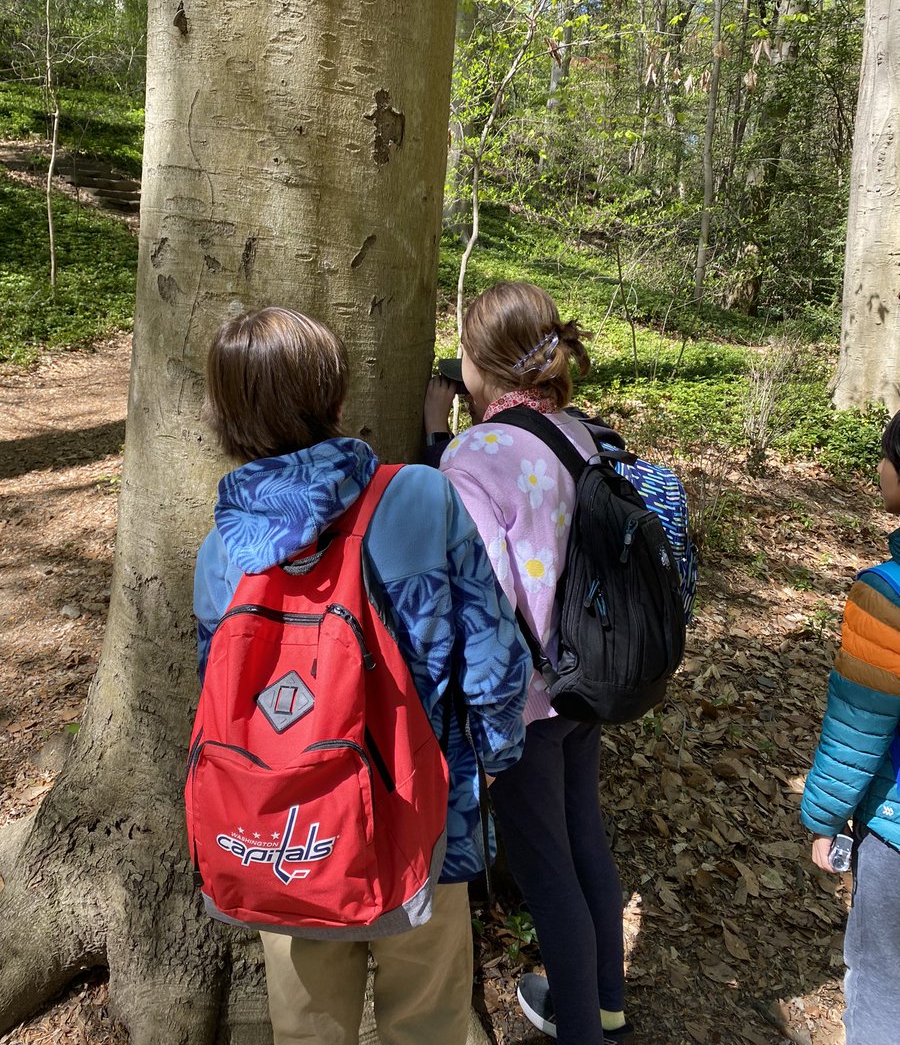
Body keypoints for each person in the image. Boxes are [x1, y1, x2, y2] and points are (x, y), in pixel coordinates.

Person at [193, 306, 532, 1045]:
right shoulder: (418, 497)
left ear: (224, 417)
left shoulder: (221, 551)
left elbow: (217, 702)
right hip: (423, 829)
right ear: (337, 400)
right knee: (433, 1023)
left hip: (285, 840)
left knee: (309, 1033)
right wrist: (496, 760)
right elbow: (496, 666)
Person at [424, 281, 635, 1045]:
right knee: (586, 845)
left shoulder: (476, 454)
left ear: (478, 366)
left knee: (546, 873)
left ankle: (584, 1031)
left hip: (526, 705)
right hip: (586, 682)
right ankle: (605, 1001)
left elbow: (481, 595)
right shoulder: (577, 432)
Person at [801, 409, 900, 1045]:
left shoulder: (885, 596)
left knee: (882, 981)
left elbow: (857, 730)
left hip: (895, 836)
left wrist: (824, 817)